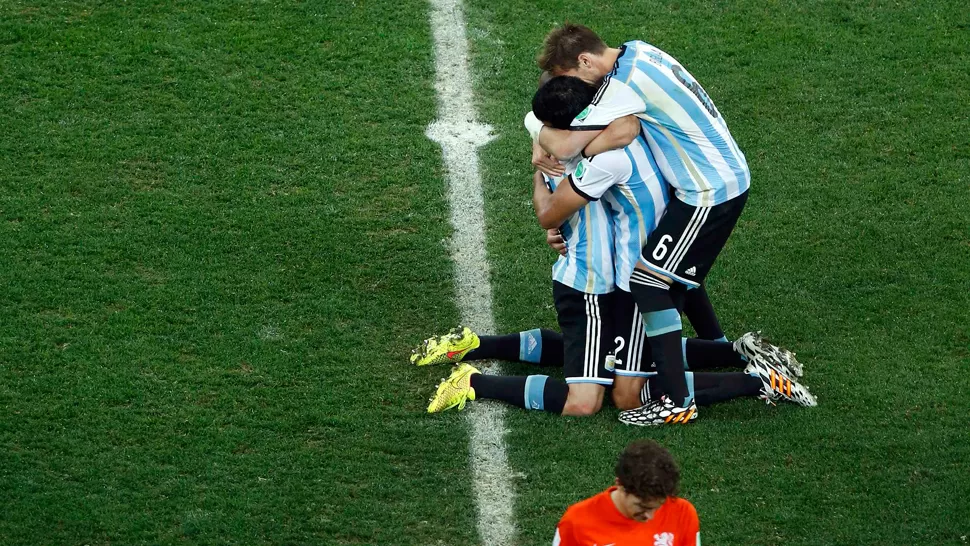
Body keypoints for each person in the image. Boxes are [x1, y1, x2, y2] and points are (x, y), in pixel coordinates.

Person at [524, 24, 755, 425]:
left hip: (708, 189)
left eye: (574, 79)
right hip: (716, 174)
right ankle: (720, 348)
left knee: (649, 281)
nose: (580, 92)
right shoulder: (638, 52)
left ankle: (679, 401)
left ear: (585, 60)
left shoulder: (623, 88)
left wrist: (546, 143)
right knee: (676, 268)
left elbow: (567, 142)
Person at [553, 439, 699, 546]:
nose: (651, 516)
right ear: (620, 485)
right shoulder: (576, 522)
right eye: (643, 507)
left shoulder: (682, 513)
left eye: (658, 506)